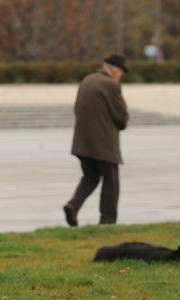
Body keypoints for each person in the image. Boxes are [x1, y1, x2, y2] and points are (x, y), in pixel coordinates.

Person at [63, 53, 129, 227]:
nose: (120, 76)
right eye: (121, 72)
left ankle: (73, 205)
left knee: (90, 176)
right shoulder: (111, 85)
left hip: (82, 142)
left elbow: (77, 109)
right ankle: (107, 220)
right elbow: (122, 117)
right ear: (115, 71)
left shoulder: (87, 80)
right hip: (104, 144)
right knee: (111, 182)